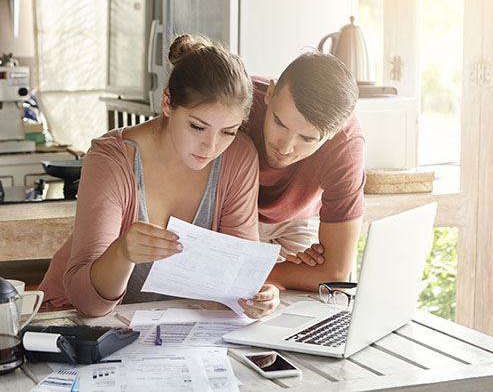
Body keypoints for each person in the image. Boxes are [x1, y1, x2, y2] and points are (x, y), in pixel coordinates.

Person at [38, 34, 280, 319]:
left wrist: (257, 296)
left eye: (228, 131)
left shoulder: (239, 157)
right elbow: (87, 305)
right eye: (197, 127)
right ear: (167, 103)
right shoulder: (111, 160)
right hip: (72, 326)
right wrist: (122, 253)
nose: (211, 146)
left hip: (163, 331)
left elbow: (232, 282)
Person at [244, 51, 365, 292]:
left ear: (333, 133)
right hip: (230, 214)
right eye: (279, 123)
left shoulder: (346, 144)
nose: (284, 147)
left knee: (306, 305)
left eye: (307, 138)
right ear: (269, 93)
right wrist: (273, 271)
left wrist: (253, 270)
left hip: (296, 220)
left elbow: (335, 274)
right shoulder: (238, 100)